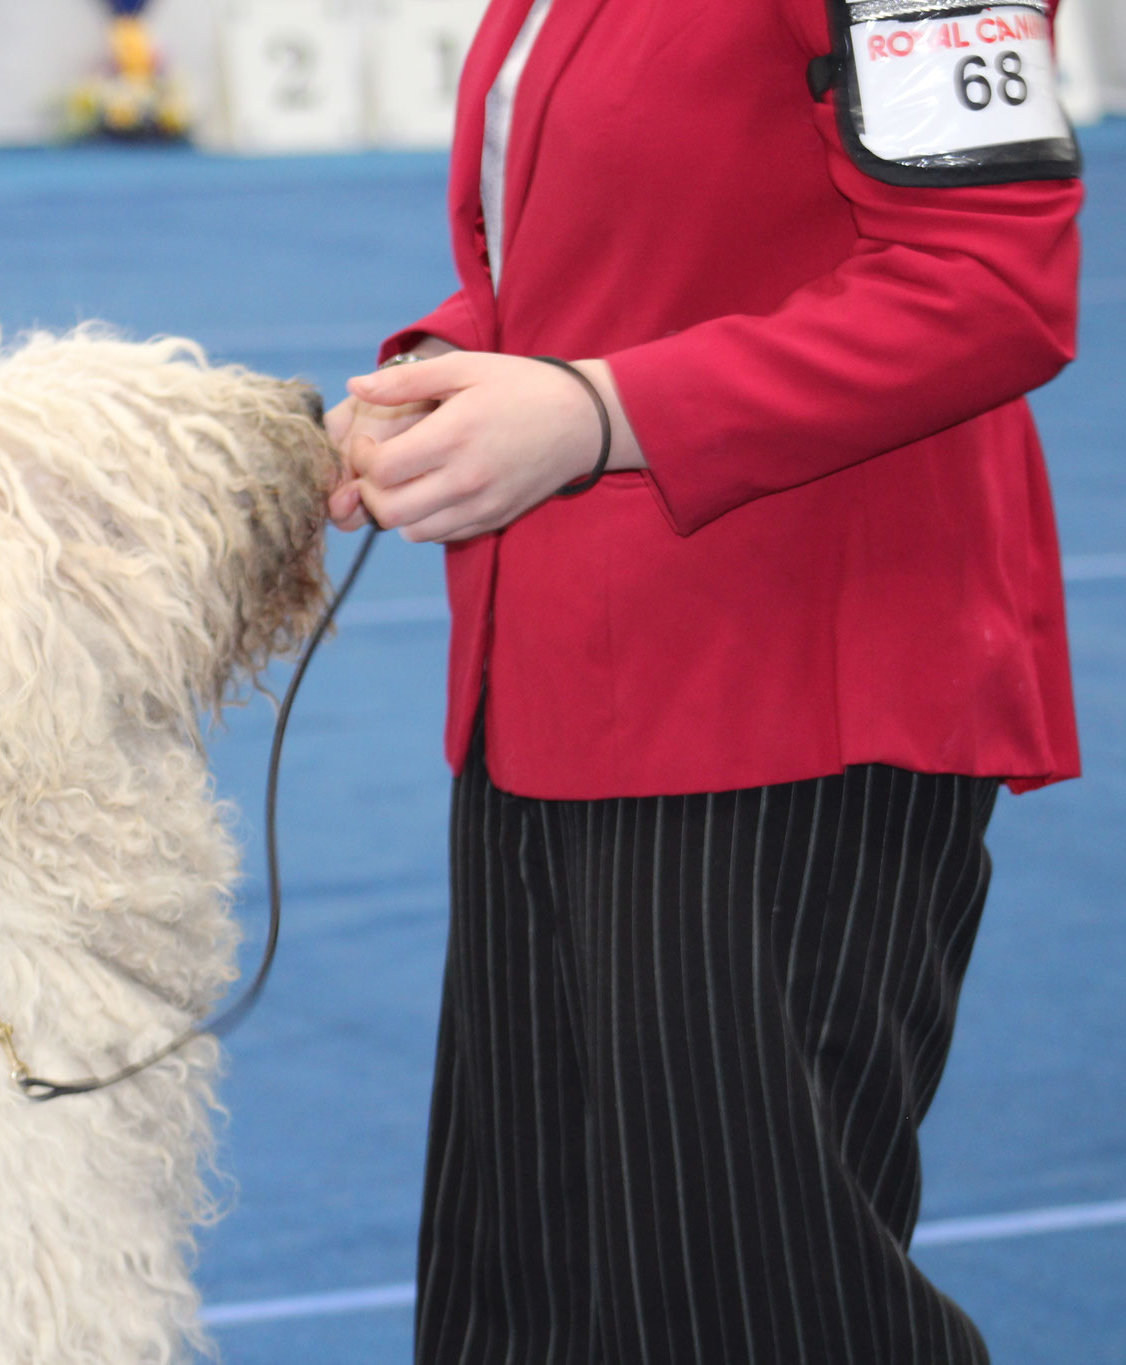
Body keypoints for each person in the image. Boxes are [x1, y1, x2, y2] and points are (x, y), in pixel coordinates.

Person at [323, 0, 1083, 1360]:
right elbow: (601, 234)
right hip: (552, 678)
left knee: (752, 1299)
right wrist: (454, 368)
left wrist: (599, 410)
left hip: (792, 687)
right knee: (525, 1292)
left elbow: (993, 288)